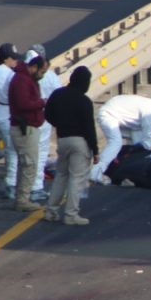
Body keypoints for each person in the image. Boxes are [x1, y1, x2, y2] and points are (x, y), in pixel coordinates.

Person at [43, 66, 97, 226]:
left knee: (61, 175)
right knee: (76, 178)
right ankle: (71, 214)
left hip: (63, 139)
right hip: (80, 142)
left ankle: (50, 211)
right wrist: (95, 150)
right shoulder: (84, 101)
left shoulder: (58, 94)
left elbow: (48, 114)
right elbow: (89, 127)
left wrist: (59, 124)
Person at [89, 91, 151, 183]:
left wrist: (138, 150)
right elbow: (148, 137)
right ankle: (95, 173)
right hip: (109, 114)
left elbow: (140, 141)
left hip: (120, 118)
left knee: (135, 146)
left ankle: (126, 175)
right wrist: (146, 153)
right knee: (116, 142)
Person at [24, 43, 62, 202]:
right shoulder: (50, 76)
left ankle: (21, 188)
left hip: (23, 119)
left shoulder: (20, 74)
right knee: (39, 154)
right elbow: (59, 97)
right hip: (42, 120)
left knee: (24, 155)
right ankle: (36, 188)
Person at [8, 54, 47, 212]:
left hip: (28, 127)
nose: (42, 75)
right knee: (29, 164)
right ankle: (23, 199)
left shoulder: (25, 79)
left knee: (26, 164)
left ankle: (22, 197)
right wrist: (42, 102)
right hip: (24, 128)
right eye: (42, 71)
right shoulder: (22, 80)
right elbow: (23, 103)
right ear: (35, 67)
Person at [0, 43, 21, 200]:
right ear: (6, 58)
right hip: (7, 113)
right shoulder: (7, 74)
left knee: (12, 150)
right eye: (13, 59)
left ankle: (12, 182)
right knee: (13, 150)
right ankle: (11, 184)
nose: (15, 61)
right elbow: (14, 94)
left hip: (1, 111)